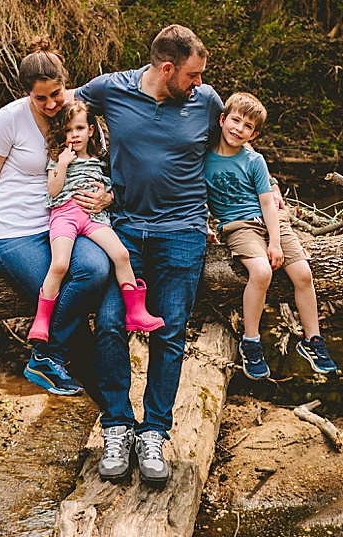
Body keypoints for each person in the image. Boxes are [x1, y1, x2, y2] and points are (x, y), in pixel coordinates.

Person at [74, 24, 222, 488]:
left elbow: (231, 150)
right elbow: (60, 111)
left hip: (183, 233)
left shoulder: (208, 101)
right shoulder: (110, 90)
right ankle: (118, 425)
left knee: (171, 331)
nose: (199, 83)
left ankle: (154, 432)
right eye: (192, 75)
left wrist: (264, 192)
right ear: (166, 69)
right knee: (112, 325)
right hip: (125, 233)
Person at [0, 39, 113, 396]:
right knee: (54, 291)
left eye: (57, 93)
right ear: (27, 95)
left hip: (64, 220)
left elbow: (101, 166)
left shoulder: (79, 115)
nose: (52, 104)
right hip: (13, 232)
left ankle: (48, 358)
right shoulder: (8, 121)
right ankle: (78, 379)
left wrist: (107, 196)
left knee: (96, 270)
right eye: (41, 98)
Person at [205, 92, 339, 380]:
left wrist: (276, 242)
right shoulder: (203, 158)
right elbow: (193, 196)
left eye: (247, 126)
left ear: (255, 133)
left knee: (303, 273)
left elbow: (268, 202)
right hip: (237, 226)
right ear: (222, 119)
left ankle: (312, 340)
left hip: (271, 221)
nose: (238, 129)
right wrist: (204, 226)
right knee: (262, 272)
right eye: (235, 121)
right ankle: (251, 341)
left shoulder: (254, 160)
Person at [29, 100, 163, 342]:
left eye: (79, 128)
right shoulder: (58, 157)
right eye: (68, 130)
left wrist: (107, 194)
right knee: (60, 265)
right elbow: (52, 189)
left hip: (94, 217)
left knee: (122, 255)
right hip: (66, 215)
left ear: (91, 129)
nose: (74, 135)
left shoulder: (101, 158)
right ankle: (42, 320)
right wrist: (62, 163)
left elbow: (112, 188)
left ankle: (136, 312)